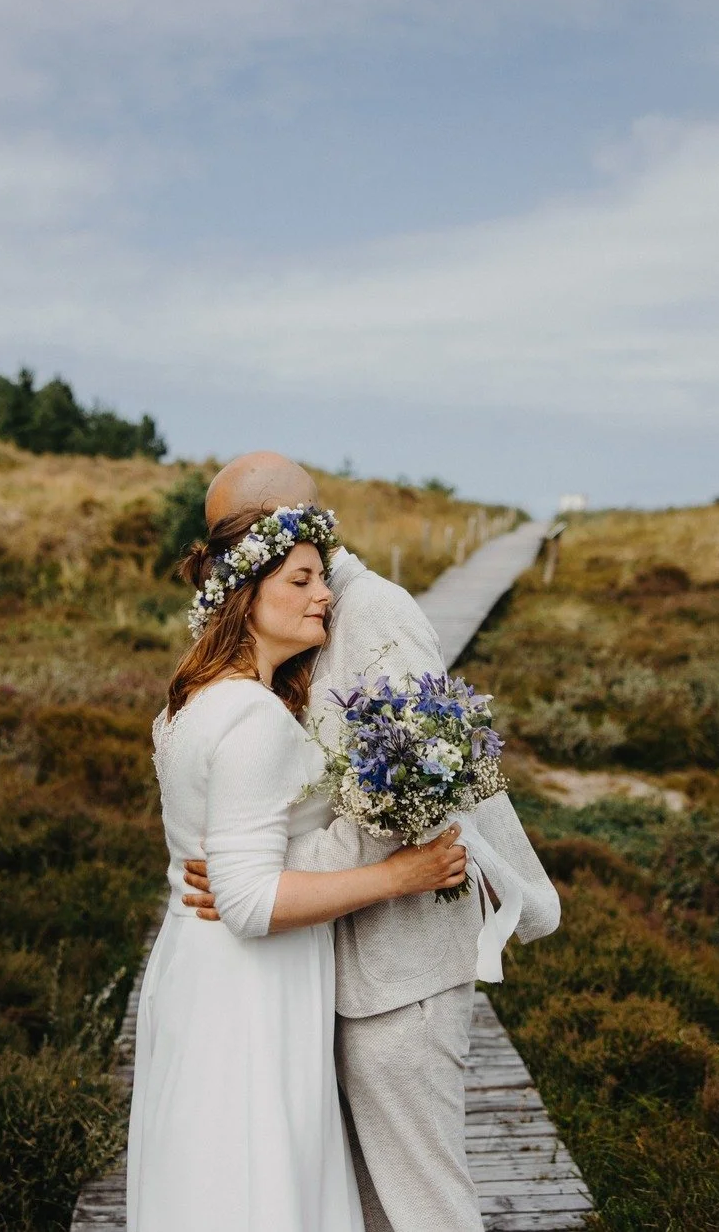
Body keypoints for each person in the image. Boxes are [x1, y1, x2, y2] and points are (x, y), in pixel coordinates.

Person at [182, 453, 562, 1232]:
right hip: (334, 967)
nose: (218, 554)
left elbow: (415, 794)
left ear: (276, 527)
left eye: (228, 535)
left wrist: (266, 879)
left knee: (425, 1206)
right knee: (367, 1208)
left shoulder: (373, 613)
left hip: (402, 974)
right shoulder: (308, 618)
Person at [127, 502, 469, 1232]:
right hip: (251, 988)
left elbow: (227, 865)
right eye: (304, 578)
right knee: (258, 1189)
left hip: (197, 971)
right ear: (248, 596)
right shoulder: (251, 718)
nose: (326, 595)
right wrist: (403, 873)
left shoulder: (187, 703)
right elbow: (249, 902)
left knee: (210, 1184)